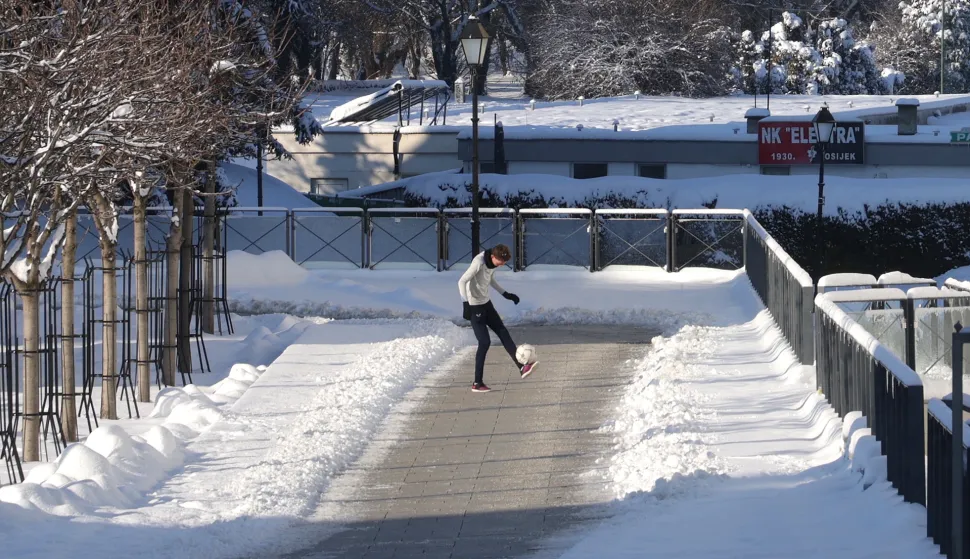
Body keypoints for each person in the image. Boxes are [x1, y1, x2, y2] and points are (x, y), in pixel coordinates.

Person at [458, 243, 536, 393]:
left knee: (503, 332)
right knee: (484, 342)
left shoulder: (491, 262)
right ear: (493, 257)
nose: (501, 265)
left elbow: (490, 280)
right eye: (500, 262)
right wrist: (465, 304)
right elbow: (461, 281)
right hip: (474, 306)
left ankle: (521, 367)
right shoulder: (478, 262)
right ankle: (477, 383)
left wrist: (505, 294)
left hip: (486, 303)